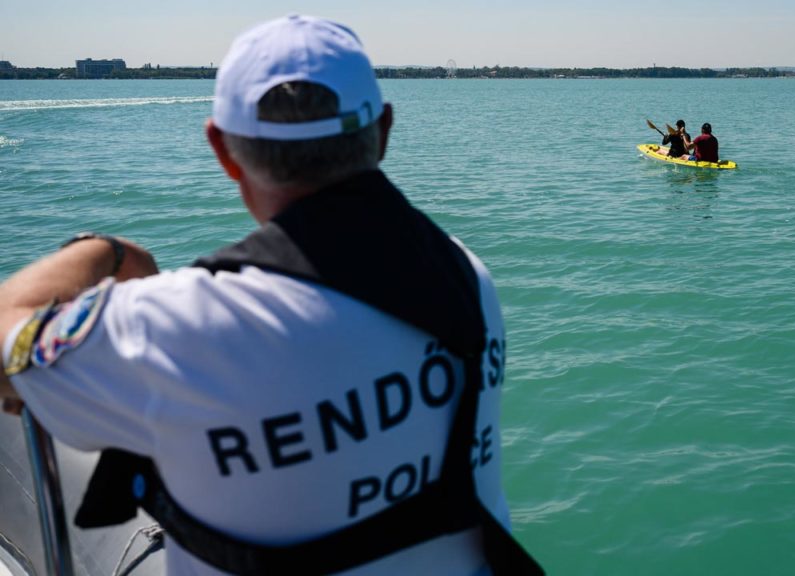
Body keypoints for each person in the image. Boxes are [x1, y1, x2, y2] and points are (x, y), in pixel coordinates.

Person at [0, 14, 541, 576]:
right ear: (382, 130)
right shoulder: (465, 274)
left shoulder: (185, 324)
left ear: (222, 149)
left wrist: (106, 253)